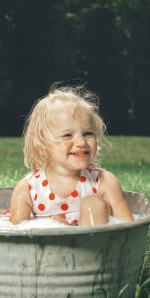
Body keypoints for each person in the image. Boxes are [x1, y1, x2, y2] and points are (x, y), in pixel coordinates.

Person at [10, 85, 133, 227]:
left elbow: (129, 228)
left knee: (92, 204)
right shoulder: (28, 189)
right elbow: (17, 236)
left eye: (88, 133)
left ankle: (88, 244)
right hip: (47, 249)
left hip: (100, 246)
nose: (81, 142)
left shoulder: (103, 182)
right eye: (67, 135)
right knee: (53, 222)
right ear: (43, 143)